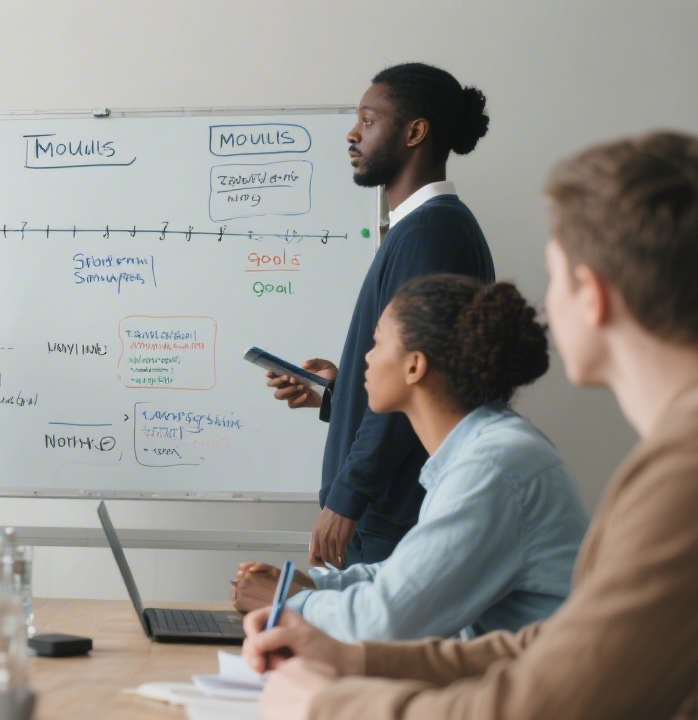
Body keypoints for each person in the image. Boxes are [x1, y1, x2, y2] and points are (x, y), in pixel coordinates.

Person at [241, 131, 698, 719]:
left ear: (593, 295)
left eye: (554, 276)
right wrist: (352, 661)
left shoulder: (677, 474)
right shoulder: (669, 457)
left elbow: (549, 700)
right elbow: (553, 648)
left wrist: (329, 703)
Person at [232, 275, 587, 641]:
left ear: (414, 366)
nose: (366, 358)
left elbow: (387, 622)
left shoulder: (490, 467)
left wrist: (291, 603)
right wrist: (314, 586)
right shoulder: (480, 451)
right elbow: (407, 576)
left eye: (377, 342)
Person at [262, 62, 496, 567]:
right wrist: (338, 390)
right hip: (388, 517)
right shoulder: (421, 230)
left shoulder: (430, 234)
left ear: (415, 132)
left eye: (368, 121)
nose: (352, 134)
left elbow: (416, 380)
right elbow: (413, 372)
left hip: (393, 523)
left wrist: (347, 498)